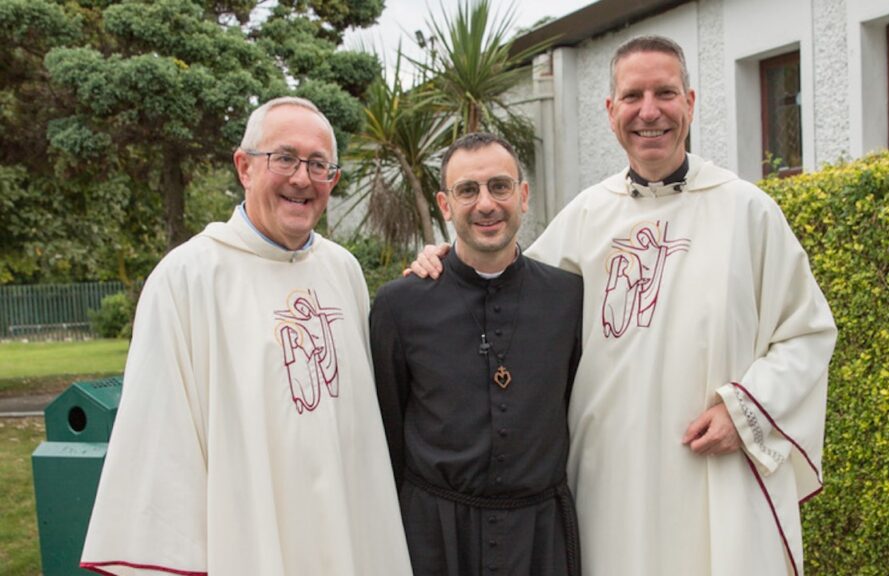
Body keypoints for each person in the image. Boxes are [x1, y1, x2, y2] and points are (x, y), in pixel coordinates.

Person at [408, 36, 837, 576]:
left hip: (715, 473)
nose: (649, 111)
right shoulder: (587, 215)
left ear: (691, 102)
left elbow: (807, 333)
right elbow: (505, 288)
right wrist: (446, 258)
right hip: (609, 479)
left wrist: (744, 408)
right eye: (633, 96)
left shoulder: (747, 211)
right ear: (611, 111)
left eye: (666, 93)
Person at [80, 97, 412, 576]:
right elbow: (161, 442)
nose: (302, 178)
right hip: (249, 545)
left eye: (319, 165)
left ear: (333, 180)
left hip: (347, 540)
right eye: (284, 158)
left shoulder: (344, 271)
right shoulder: (187, 278)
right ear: (244, 167)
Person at [371, 132, 584, 576]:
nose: (486, 203)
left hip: (539, 538)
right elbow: (387, 430)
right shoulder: (399, 305)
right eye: (467, 190)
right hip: (435, 538)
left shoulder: (569, 297)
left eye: (499, 186)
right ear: (445, 205)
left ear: (523, 196)